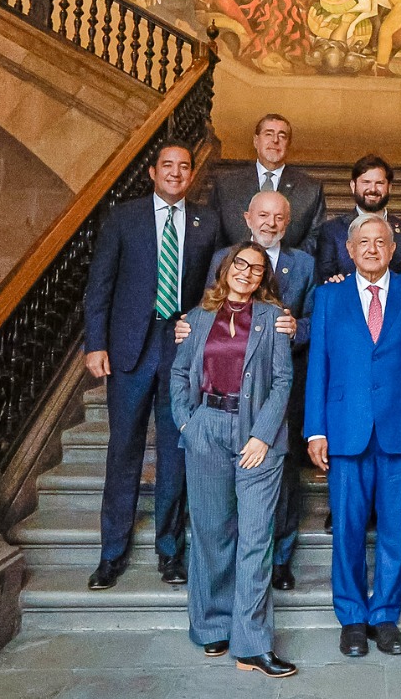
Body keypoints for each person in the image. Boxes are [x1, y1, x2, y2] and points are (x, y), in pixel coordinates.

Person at [304, 215, 401, 658]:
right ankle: (351, 618)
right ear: (349, 249)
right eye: (362, 242)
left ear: (391, 248)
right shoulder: (327, 297)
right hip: (345, 430)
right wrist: (315, 429)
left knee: (395, 530)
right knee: (346, 528)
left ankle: (384, 616)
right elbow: (318, 369)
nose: (371, 248)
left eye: (379, 241)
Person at [83, 142, 220, 590]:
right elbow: (99, 285)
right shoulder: (124, 217)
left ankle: (170, 552)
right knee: (123, 449)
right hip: (129, 349)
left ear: (191, 174)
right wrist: (95, 344)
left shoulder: (207, 222)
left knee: (175, 453)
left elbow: (212, 290)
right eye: (168, 166)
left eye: (184, 167)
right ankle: (111, 554)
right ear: (152, 171)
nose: (176, 173)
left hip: (181, 349)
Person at [170, 242, 298, 677]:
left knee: (256, 537)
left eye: (257, 269)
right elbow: (178, 372)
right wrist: (187, 423)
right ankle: (212, 627)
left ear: (264, 278)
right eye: (240, 264)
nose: (247, 273)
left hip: (256, 435)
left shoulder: (274, 320)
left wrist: (262, 435)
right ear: (225, 269)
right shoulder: (196, 319)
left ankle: (252, 643)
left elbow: (282, 382)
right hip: (207, 426)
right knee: (210, 532)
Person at [200, 191, 318, 591]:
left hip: (282, 386)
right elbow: (208, 312)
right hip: (228, 390)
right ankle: (232, 560)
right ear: (247, 217)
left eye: (279, 217)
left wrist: (295, 328)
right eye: (263, 215)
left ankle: (280, 559)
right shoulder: (223, 259)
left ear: (289, 222)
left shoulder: (304, 263)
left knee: (281, 475)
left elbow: (317, 320)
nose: (270, 223)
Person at [209, 113, 326, 255]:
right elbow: (214, 234)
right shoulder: (226, 185)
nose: (275, 140)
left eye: (282, 136)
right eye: (268, 134)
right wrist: (234, 264)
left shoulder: (310, 189)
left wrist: (288, 264)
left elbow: (315, 236)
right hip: (237, 271)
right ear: (256, 141)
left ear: (288, 144)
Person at [315, 154, 401, 283]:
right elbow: (324, 277)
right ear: (353, 185)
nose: (372, 189)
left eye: (379, 183)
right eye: (366, 182)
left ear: (389, 187)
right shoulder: (332, 230)